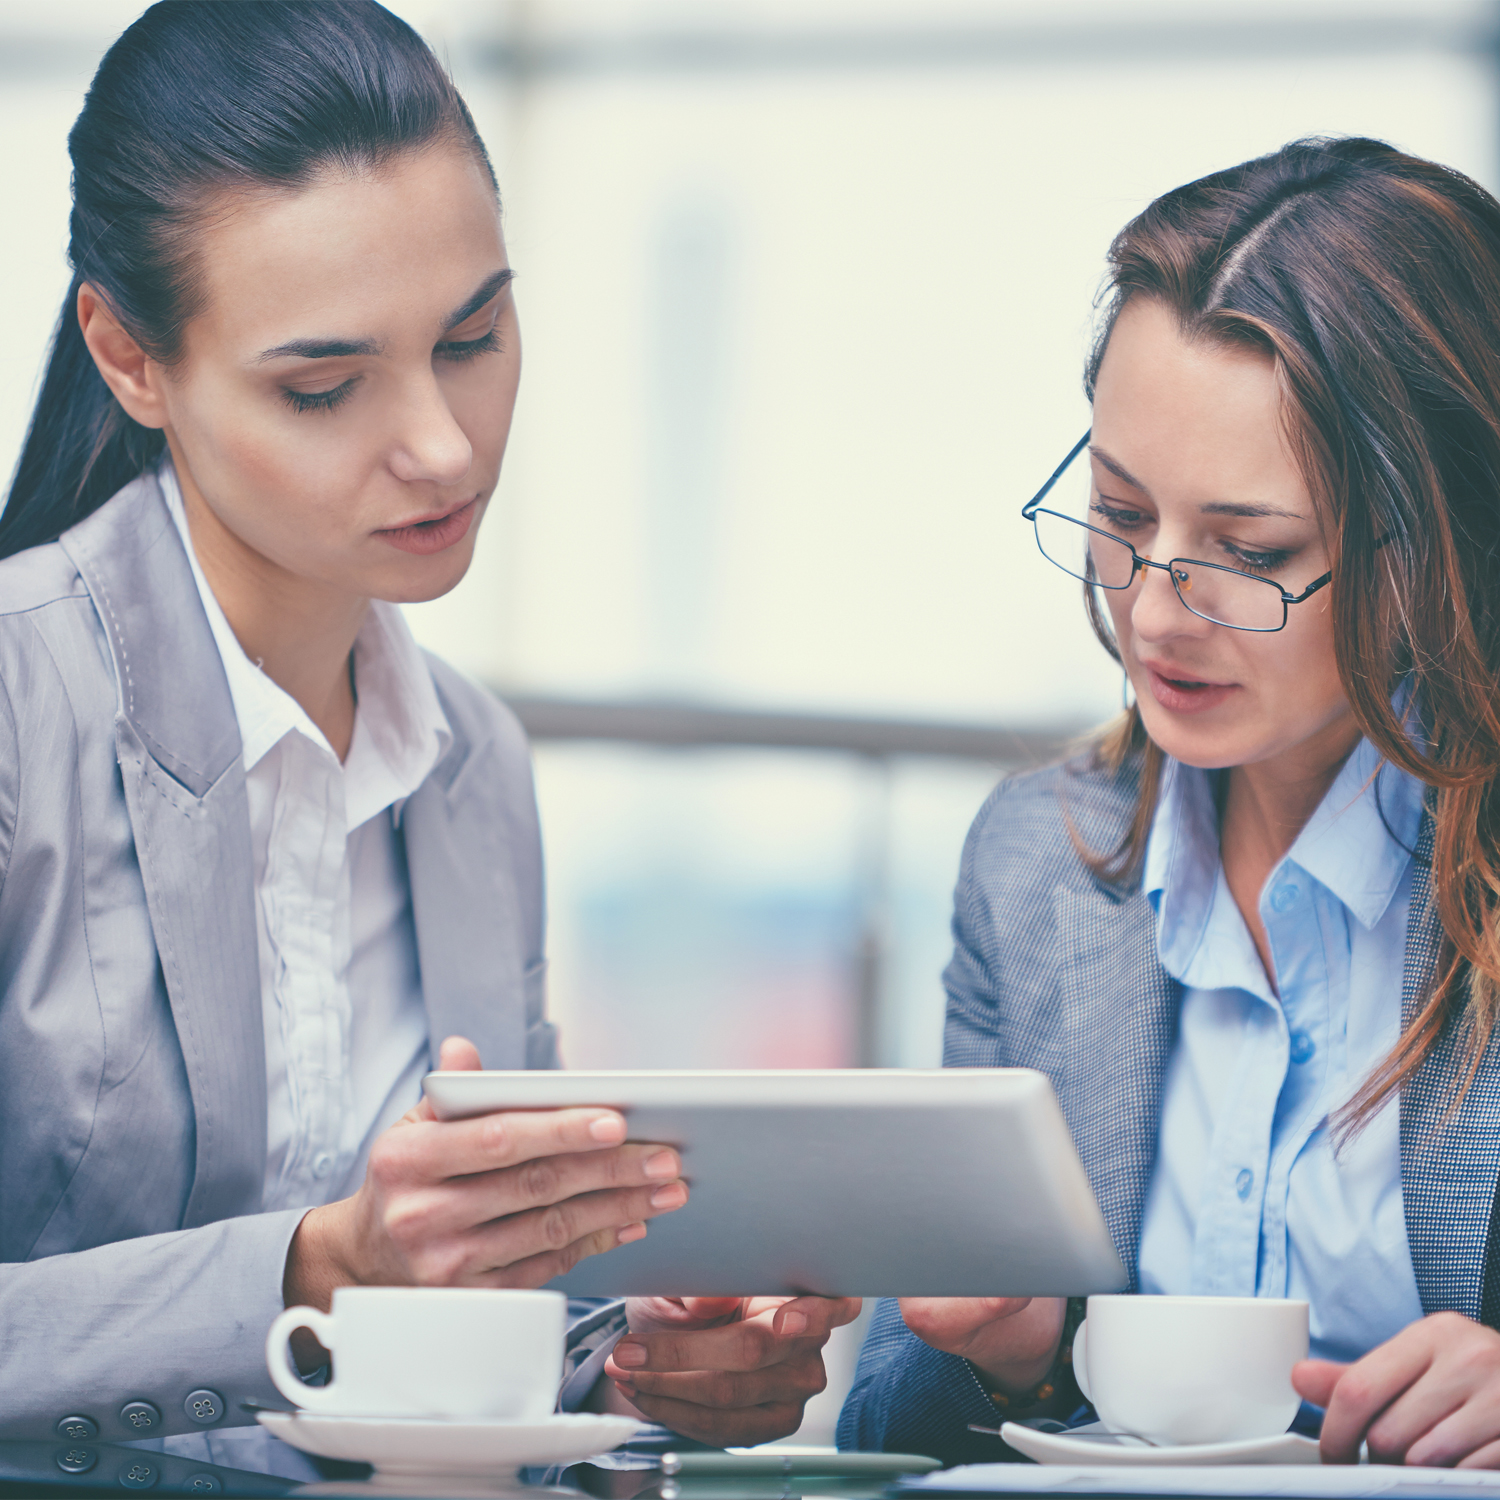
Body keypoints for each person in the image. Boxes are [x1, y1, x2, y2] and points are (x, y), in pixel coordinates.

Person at [0, 1, 856, 1478]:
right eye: (323, 388)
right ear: (131, 360)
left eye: (474, 338)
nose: (447, 445)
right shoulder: (26, 708)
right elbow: (345, 1275)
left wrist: (642, 1364)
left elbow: (477, 1298)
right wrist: (307, 1276)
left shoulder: (472, 764)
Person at [838, 136, 1500, 1470]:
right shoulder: (1036, 867)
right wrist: (1015, 1356)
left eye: (1250, 553)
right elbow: (884, 1432)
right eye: (1121, 517)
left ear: (1438, 545)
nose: (1152, 612)